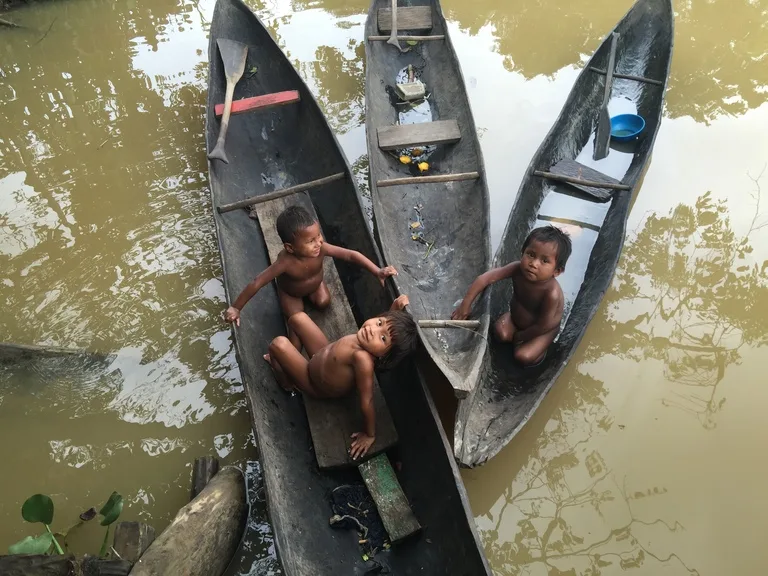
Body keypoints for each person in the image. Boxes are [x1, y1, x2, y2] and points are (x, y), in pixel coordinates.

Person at [264, 295, 417, 459]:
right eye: (379, 322)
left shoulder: (363, 360)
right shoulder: (368, 336)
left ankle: (287, 381)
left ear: (384, 357)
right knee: (297, 318)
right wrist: (394, 308)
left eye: (382, 338)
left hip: (315, 382)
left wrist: (370, 434)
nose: (372, 329)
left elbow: (367, 402)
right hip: (322, 354)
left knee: (278, 344)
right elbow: (383, 329)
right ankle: (290, 357)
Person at [224, 205, 398, 349]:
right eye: (310, 241)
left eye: (319, 236)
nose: (318, 243)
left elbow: (350, 255)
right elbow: (257, 282)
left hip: (314, 285)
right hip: (291, 293)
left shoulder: (321, 248)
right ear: (290, 248)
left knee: (323, 302)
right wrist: (236, 308)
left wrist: (377, 271)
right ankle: (285, 356)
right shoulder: (285, 262)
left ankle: (313, 293)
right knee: (297, 325)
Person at [451, 225, 572, 366]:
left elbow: (543, 325)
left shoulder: (552, 293)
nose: (534, 264)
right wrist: (465, 306)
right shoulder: (517, 269)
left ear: (557, 271)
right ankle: (512, 326)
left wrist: (521, 336)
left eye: (544, 261)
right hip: (516, 320)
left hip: (541, 331)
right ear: (522, 252)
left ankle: (541, 350)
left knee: (523, 356)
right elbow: (485, 278)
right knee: (500, 333)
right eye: (531, 254)